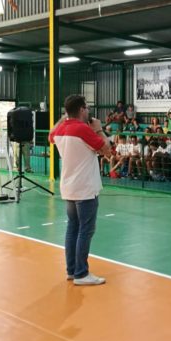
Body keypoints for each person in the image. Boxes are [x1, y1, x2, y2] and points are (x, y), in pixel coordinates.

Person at [49, 95, 111, 286]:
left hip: (69, 187)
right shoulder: (83, 130)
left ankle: (72, 270)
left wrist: (64, 117)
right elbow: (107, 149)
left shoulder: (61, 130)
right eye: (87, 109)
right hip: (85, 188)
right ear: (82, 109)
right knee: (85, 230)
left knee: (72, 228)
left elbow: (50, 134)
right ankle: (81, 273)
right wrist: (99, 129)